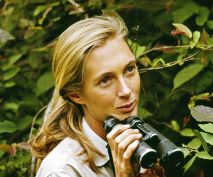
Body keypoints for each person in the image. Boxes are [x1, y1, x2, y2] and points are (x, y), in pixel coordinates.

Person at [31, 14, 165, 177]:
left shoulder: (143, 149)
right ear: (76, 95)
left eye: (129, 69)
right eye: (105, 80)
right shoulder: (62, 171)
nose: (126, 91)